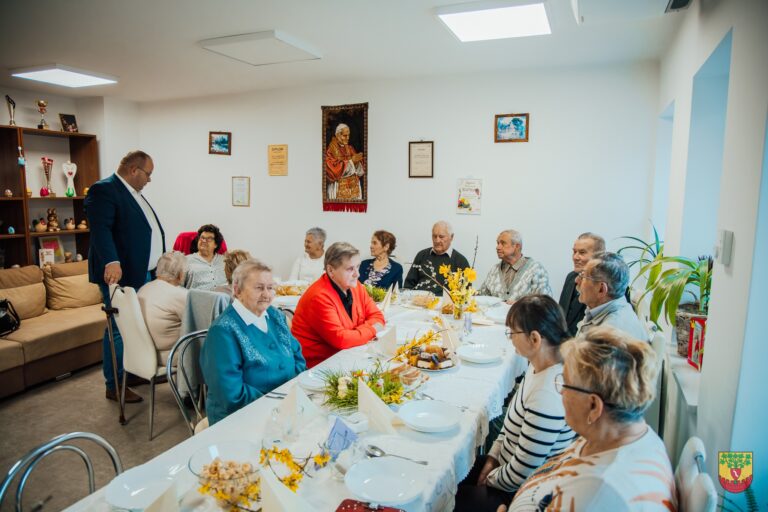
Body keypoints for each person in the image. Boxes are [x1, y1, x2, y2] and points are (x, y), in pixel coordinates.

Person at [503, 327, 676, 511]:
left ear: (594, 406)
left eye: (566, 384)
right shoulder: (628, 434)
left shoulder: (600, 492)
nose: (560, 391)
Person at [455, 295, 575, 511]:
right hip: (507, 466)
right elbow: (509, 425)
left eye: (512, 332)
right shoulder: (539, 364)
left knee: (452, 497)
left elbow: (524, 471)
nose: (510, 338)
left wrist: (490, 479)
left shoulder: (549, 393)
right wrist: (492, 457)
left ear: (535, 339)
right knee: (455, 467)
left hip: (525, 492)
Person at [86, 150, 165, 403]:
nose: (149, 180)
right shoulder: (104, 190)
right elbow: (100, 229)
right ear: (134, 170)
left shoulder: (134, 194)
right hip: (118, 274)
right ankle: (114, 384)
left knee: (135, 327)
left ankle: (130, 374)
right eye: (148, 174)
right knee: (118, 329)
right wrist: (112, 261)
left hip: (141, 271)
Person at [200, 259, 306, 425]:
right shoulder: (223, 331)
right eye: (259, 287)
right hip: (242, 418)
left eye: (270, 288)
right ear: (237, 290)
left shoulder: (275, 315)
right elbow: (231, 395)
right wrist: (280, 404)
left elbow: (297, 356)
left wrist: (295, 393)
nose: (266, 294)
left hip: (286, 407)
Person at [291, 242, 385, 368]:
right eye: (350, 269)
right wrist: (372, 329)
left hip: (347, 356)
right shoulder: (319, 296)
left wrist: (355, 335)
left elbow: (378, 316)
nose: (357, 274)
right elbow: (342, 340)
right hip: (318, 367)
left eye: (358, 267)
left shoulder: (356, 286)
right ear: (330, 270)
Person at [576, 252, 649, 341]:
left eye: (583, 276)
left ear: (601, 289)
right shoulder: (612, 309)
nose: (577, 280)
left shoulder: (610, 334)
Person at [137, 252, 188, 363]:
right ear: (180, 275)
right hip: (172, 354)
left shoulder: (143, 289)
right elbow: (198, 324)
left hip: (144, 352)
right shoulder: (180, 294)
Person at [478, 230, 552, 303]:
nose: (498, 247)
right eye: (497, 243)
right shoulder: (494, 269)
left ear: (517, 246)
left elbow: (546, 303)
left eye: (503, 243)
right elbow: (483, 295)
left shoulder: (536, 269)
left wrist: (521, 306)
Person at [559, 232, 605, 337]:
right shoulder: (571, 277)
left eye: (582, 252)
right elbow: (560, 314)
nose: (575, 257)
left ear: (599, 256)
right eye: (574, 252)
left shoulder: (603, 287)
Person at [403, 221, 470, 294]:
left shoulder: (461, 261)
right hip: (420, 302)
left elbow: (465, 292)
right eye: (434, 236)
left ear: (451, 237)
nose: (437, 240)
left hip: (446, 304)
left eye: (441, 237)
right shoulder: (421, 255)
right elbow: (408, 285)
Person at [325, 123, 364, 201]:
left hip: (353, 187)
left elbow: (359, 170)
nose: (348, 138)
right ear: (338, 135)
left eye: (348, 135)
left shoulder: (350, 148)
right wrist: (352, 161)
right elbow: (333, 170)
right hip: (339, 187)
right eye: (345, 136)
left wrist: (358, 161)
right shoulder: (331, 149)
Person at [185, 224, 227, 290]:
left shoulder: (225, 261)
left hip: (223, 299)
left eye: (209, 239)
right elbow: (178, 287)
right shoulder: (185, 260)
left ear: (216, 244)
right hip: (197, 299)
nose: (204, 241)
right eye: (202, 237)